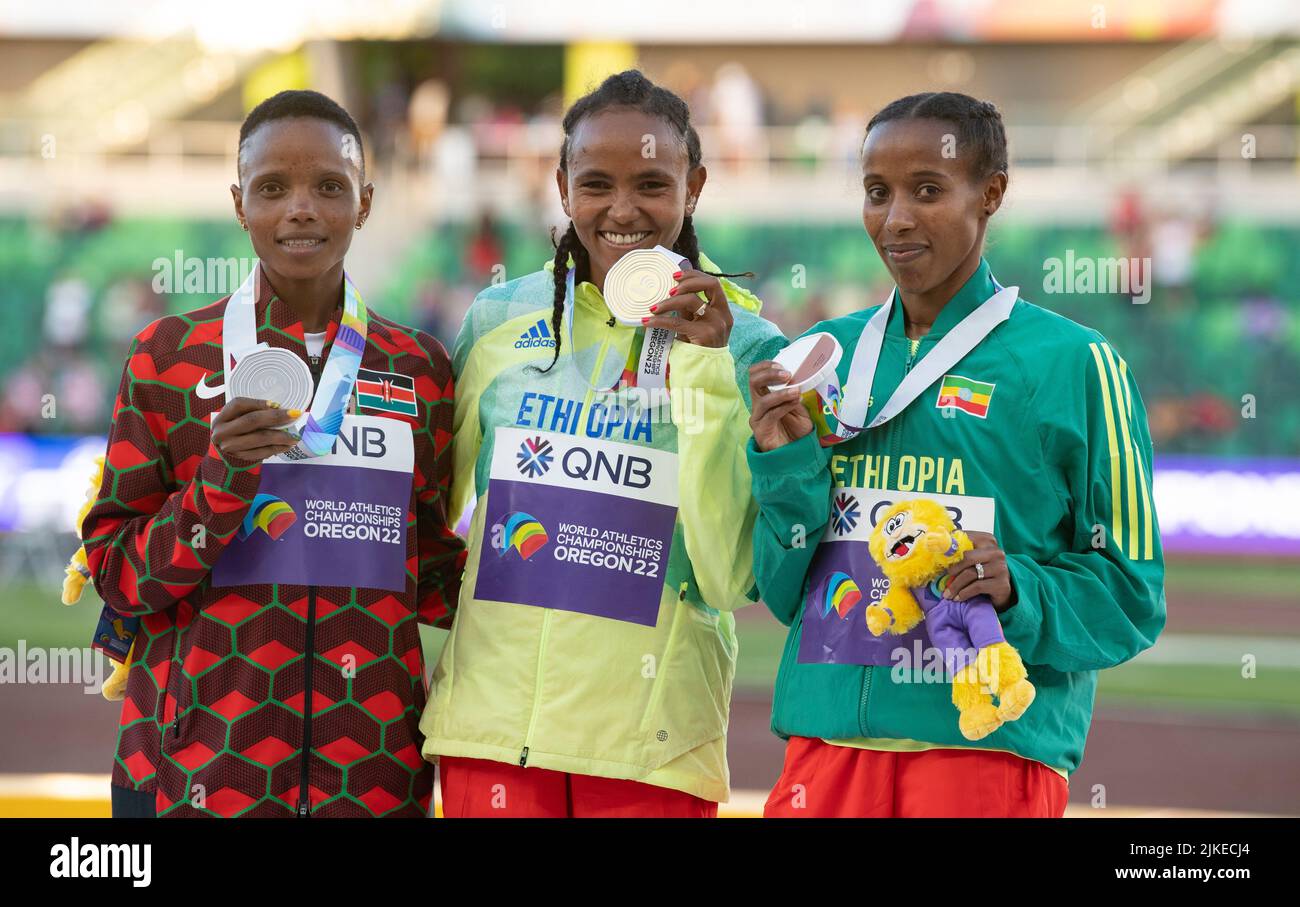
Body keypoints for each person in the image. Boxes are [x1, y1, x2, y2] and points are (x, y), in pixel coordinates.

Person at [747, 92, 1166, 818]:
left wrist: (1018, 590)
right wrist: (783, 469)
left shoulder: (1074, 363)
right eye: (877, 192)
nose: (896, 218)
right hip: (825, 753)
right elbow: (785, 594)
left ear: (991, 192)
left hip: (982, 757)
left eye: (928, 190)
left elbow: (1132, 595)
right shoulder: (825, 357)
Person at [80, 89, 465, 817]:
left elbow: (434, 568)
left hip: (373, 776)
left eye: (329, 186)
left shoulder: (421, 369)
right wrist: (219, 483)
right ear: (238, 202)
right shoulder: (167, 356)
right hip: (191, 771)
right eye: (272, 188)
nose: (301, 208)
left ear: (366, 200)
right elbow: (117, 575)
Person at [419, 70, 786, 818]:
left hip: (650, 755)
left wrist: (708, 372)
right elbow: (431, 516)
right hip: (492, 741)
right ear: (560, 187)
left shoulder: (749, 344)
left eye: (653, 183)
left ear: (696, 185)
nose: (623, 210)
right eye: (596, 184)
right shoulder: (496, 319)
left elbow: (727, 579)